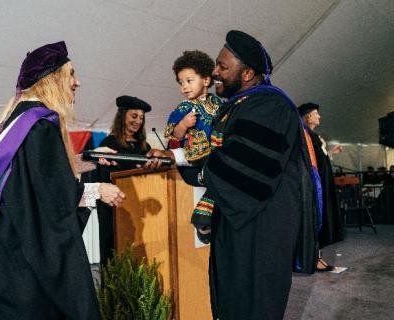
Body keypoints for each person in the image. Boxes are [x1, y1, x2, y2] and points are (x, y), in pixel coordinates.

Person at [146, 30, 319, 319]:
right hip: (241, 224)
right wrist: (174, 155)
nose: (215, 72)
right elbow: (219, 159)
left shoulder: (268, 105)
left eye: (223, 67)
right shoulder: (241, 106)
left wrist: (189, 166)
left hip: (260, 231)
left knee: (251, 306)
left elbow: (241, 170)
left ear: (248, 72)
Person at [0, 41, 125, 319]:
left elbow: (38, 174)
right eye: (71, 74)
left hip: (1, 264)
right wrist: (98, 190)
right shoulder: (39, 124)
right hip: (23, 275)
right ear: (52, 79)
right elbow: (54, 200)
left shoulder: (16, 121)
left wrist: (88, 159)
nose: (77, 82)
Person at [164, 50, 223, 243]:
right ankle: (203, 223)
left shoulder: (218, 103)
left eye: (189, 81)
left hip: (216, 156)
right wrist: (183, 125)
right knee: (217, 179)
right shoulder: (183, 108)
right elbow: (174, 134)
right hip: (196, 161)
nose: (184, 87)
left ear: (206, 80)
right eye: (181, 83)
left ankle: (204, 224)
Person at [96, 95, 152, 265]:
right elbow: (103, 177)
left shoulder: (144, 146)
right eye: (134, 116)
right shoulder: (110, 143)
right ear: (122, 116)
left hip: (140, 208)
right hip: (115, 209)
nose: (138, 121)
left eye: (141, 118)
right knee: (115, 252)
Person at [299, 102, 345, 272]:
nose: (319, 116)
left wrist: (329, 152)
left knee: (320, 218)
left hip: (321, 185)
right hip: (314, 186)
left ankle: (317, 257)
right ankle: (313, 258)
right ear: (308, 116)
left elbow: (320, 160)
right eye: (316, 113)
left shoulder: (313, 136)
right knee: (315, 219)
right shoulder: (306, 136)